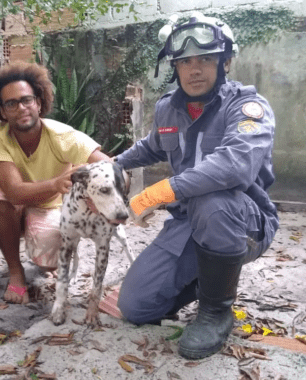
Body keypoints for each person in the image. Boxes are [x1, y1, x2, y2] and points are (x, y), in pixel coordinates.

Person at [115, 13, 279, 359]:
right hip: (188, 222)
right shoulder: (169, 109)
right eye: (184, 61)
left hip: (243, 220)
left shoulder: (247, 107)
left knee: (212, 198)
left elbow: (234, 166)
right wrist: (112, 164)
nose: (195, 69)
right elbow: (152, 146)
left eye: (206, 59)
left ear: (226, 62)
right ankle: (206, 278)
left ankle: (216, 311)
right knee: (136, 307)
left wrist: (158, 192)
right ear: (174, 67)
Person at [0, 61, 110, 304]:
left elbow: (108, 165)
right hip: (17, 204)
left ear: (39, 103)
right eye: (11, 103)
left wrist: (95, 193)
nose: (21, 108)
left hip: (52, 207)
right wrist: (56, 183)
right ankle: (16, 272)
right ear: (2, 112)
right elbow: (15, 192)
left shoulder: (63, 136)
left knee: (48, 259)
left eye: (27, 100)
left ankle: (47, 251)